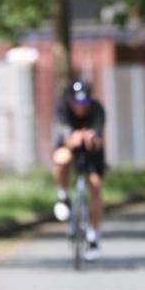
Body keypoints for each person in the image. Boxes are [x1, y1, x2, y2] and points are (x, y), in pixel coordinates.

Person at [52, 78, 106, 260]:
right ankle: (64, 197)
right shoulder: (63, 110)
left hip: (91, 151)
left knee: (96, 186)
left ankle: (93, 236)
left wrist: (91, 138)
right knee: (61, 159)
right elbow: (66, 137)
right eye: (77, 103)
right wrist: (74, 139)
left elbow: (98, 139)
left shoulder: (98, 110)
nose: (80, 107)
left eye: (84, 103)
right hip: (70, 148)